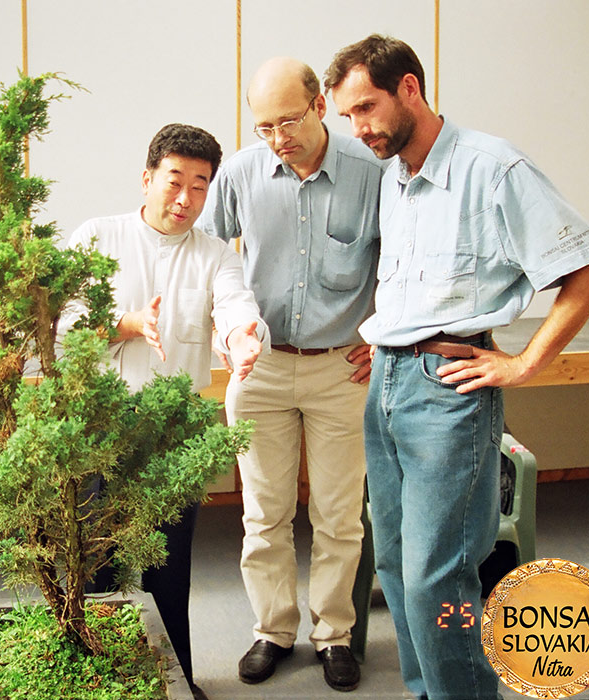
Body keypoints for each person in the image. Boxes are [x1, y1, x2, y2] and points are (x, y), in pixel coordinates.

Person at [325, 34, 589, 700]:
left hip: (448, 396)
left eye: (366, 107)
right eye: (346, 116)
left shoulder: (494, 169)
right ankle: (429, 690)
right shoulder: (394, 175)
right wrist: (390, 335)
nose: (358, 128)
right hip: (390, 385)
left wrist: (525, 365)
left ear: (409, 88)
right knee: (398, 566)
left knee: (438, 573)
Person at [197, 57, 384, 691]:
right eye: (263, 126)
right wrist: (228, 331)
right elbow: (211, 261)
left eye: (289, 120)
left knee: (339, 516)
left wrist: (380, 334)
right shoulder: (240, 175)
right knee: (264, 512)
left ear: (320, 106)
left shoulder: (372, 172)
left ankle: (333, 633)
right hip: (263, 369)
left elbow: (403, 261)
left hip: (342, 371)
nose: (278, 138)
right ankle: (272, 630)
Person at [62, 123, 269, 695]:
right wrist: (127, 324)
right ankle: (99, 680)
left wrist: (245, 337)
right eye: (174, 181)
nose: (185, 199)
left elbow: (235, 308)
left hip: (172, 432)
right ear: (148, 177)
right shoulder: (98, 236)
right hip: (97, 427)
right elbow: (62, 323)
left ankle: (175, 678)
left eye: (200, 187)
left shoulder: (214, 256)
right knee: (98, 563)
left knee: (170, 566)